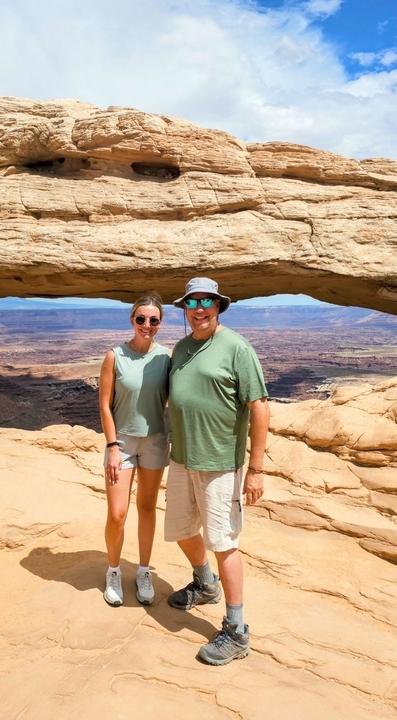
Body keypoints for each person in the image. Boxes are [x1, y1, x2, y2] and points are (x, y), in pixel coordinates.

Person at [165, 277, 269, 665]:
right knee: (181, 529)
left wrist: (255, 469)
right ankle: (204, 583)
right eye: (192, 303)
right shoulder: (181, 348)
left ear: (219, 306)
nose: (199, 308)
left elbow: (259, 406)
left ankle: (237, 630)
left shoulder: (237, 347)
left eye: (207, 301)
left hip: (220, 463)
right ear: (186, 309)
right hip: (183, 458)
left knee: (223, 541)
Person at [98, 294, 171, 607]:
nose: (147, 325)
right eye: (141, 319)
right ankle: (113, 571)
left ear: (160, 323)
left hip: (154, 441)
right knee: (117, 514)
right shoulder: (115, 356)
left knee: (146, 508)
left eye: (153, 320)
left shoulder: (165, 358)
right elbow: (104, 404)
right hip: (123, 443)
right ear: (132, 320)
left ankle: (143, 571)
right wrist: (113, 446)